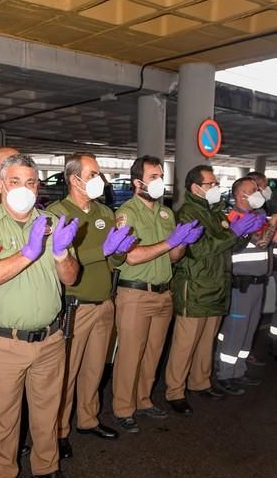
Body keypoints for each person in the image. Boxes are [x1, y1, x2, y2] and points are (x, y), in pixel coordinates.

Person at [0, 153, 79, 478]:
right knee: (2, 416)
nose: (24, 189)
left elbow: (71, 278)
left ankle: (46, 467)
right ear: (0, 186)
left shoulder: (52, 221)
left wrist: (61, 254)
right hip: (5, 341)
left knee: (48, 410)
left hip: (49, 338)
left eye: (31, 182)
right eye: (15, 181)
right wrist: (31, 251)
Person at [48, 152, 135, 459]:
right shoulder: (57, 214)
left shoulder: (105, 212)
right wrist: (104, 248)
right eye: (94, 174)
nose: (101, 180)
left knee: (95, 368)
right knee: (66, 372)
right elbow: (62, 261)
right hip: (75, 306)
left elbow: (114, 260)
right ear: (74, 179)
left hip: (103, 302)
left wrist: (120, 250)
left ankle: (88, 419)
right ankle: (57, 430)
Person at [112, 155, 203, 431]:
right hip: (136, 294)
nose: (159, 181)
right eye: (153, 177)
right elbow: (132, 257)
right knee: (130, 353)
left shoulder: (166, 213)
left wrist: (182, 243)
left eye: (161, 176)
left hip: (164, 293)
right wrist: (170, 241)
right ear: (136, 182)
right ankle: (122, 408)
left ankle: (143, 400)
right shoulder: (126, 213)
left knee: (153, 352)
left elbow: (173, 257)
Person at [165, 165, 265, 413]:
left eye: (215, 183)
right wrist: (233, 232)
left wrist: (244, 234)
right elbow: (198, 250)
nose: (215, 187)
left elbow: (226, 246)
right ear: (195, 187)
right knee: (185, 344)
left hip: (216, 284)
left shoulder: (214, 210)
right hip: (196, 286)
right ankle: (175, 391)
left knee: (206, 341)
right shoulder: (188, 213)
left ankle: (200, 382)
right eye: (211, 184)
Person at [215, 176, 273, 393]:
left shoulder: (255, 216)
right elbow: (262, 241)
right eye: (254, 189)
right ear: (241, 195)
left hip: (257, 284)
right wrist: (272, 223)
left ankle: (238, 370)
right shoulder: (235, 218)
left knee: (248, 331)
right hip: (241, 286)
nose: (259, 192)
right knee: (235, 331)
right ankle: (224, 374)